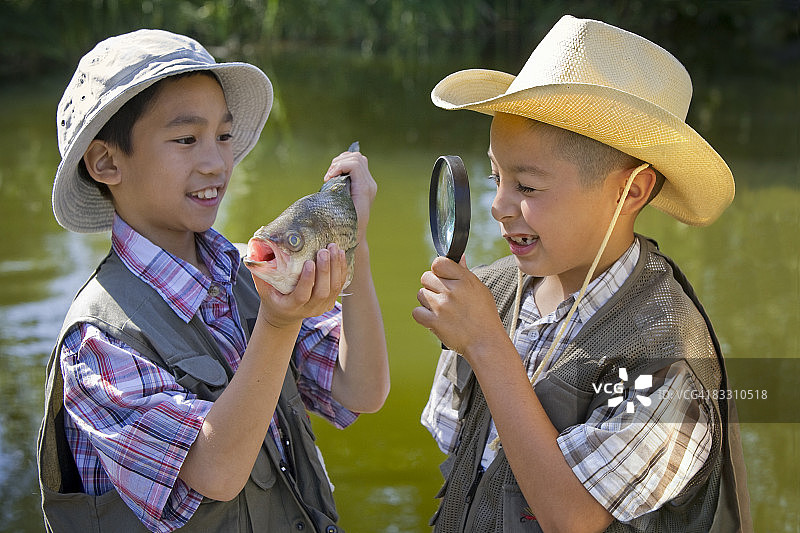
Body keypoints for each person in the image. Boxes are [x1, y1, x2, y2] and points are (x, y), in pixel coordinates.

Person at [38, 29, 389, 532]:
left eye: (223, 136)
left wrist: (352, 241)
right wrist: (278, 322)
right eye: (185, 139)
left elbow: (362, 388)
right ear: (107, 162)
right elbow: (215, 470)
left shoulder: (246, 271)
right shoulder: (97, 343)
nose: (216, 162)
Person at [413, 15, 751, 533]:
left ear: (632, 191)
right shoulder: (497, 290)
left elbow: (571, 517)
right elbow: (455, 447)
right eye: (494, 176)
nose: (499, 204)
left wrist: (485, 344)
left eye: (527, 186)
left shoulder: (665, 355)